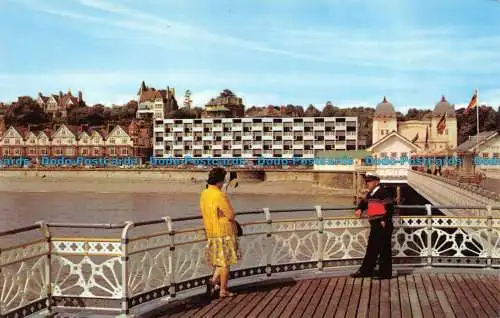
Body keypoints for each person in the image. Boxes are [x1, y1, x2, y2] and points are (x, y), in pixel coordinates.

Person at [200, 167, 240, 298]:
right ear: (219, 182)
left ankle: (212, 282)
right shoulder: (220, 195)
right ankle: (223, 290)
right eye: (223, 181)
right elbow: (230, 215)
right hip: (224, 232)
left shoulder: (204, 193)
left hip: (211, 231)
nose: (223, 184)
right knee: (225, 263)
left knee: (220, 261)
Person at [351, 172, 394, 279]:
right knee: (372, 248)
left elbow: (390, 208)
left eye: (370, 181)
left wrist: (384, 219)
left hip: (383, 224)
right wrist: (359, 209)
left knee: (384, 249)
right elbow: (364, 202)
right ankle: (366, 271)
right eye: (366, 181)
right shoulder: (371, 193)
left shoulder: (383, 192)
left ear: (377, 182)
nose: (367, 183)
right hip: (375, 224)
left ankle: (385, 273)